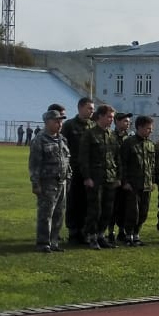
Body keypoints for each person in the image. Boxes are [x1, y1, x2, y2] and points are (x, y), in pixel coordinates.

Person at [27, 109, 71, 252]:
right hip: (47, 183)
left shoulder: (62, 139)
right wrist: (35, 184)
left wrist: (69, 176)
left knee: (59, 213)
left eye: (61, 121)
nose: (59, 124)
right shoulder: (40, 140)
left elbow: (66, 160)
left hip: (62, 182)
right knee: (46, 214)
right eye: (56, 121)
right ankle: (43, 242)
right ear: (47, 122)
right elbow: (34, 164)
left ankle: (54, 241)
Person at [79, 104, 118, 249]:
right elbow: (84, 158)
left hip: (109, 177)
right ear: (100, 116)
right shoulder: (90, 134)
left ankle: (101, 235)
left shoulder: (111, 135)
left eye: (112, 117)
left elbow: (115, 157)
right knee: (95, 209)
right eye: (109, 117)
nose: (111, 120)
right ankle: (91, 236)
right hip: (95, 178)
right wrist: (87, 177)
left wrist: (117, 177)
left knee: (108, 209)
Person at [119, 115, 155, 246]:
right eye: (148, 128)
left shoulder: (150, 145)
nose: (150, 131)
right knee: (132, 211)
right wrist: (125, 181)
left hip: (146, 184)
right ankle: (128, 235)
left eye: (151, 128)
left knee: (144, 211)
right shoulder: (129, 143)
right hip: (133, 184)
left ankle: (137, 234)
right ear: (139, 127)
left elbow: (152, 165)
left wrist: (152, 181)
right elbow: (122, 163)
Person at [62, 97, 94, 243]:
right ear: (80, 108)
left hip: (89, 170)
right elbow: (62, 147)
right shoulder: (69, 125)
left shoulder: (94, 126)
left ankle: (85, 231)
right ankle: (73, 232)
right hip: (73, 170)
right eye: (89, 108)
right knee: (74, 201)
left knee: (87, 202)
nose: (92, 111)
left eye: (92, 108)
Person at [108, 112, 133, 243]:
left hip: (127, 177)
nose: (127, 123)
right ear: (116, 122)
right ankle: (110, 231)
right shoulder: (110, 137)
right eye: (125, 121)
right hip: (113, 177)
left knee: (125, 206)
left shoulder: (131, 137)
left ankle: (122, 230)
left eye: (128, 121)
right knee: (112, 206)